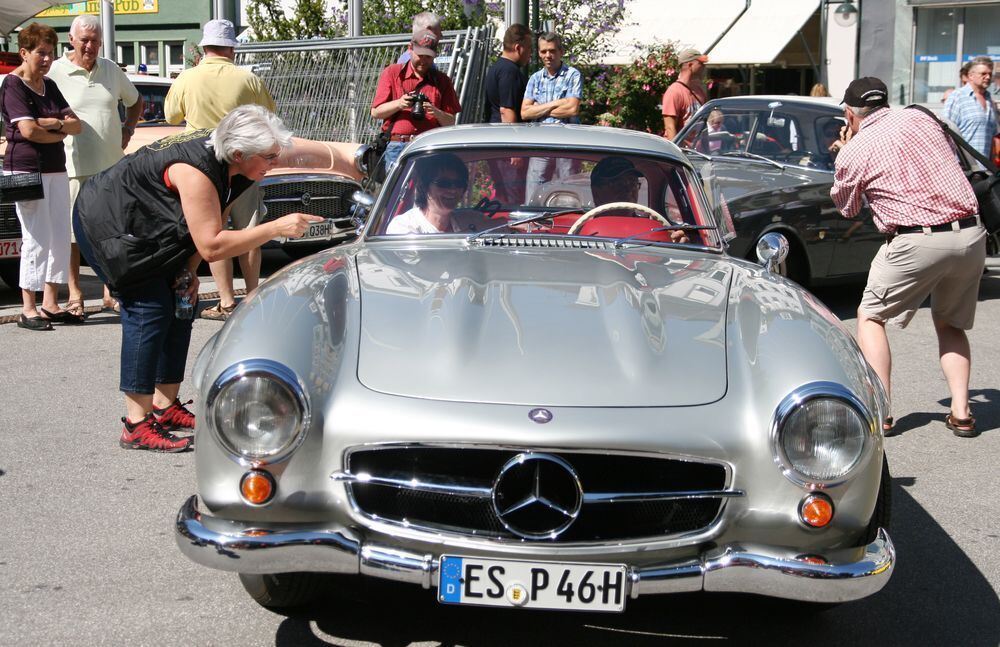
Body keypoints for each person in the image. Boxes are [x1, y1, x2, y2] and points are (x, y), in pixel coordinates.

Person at [73, 105, 363, 452]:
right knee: (149, 309)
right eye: (269, 156)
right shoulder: (197, 170)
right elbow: (212, 245)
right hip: (110, 225)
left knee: (182, 303)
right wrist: (276, 227)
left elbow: (217, 218)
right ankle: (136, 424)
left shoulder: (237, 162)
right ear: (240, 153)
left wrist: (187, 271)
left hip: (154, 226)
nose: (274, 162)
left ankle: (165, 408)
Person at [830, 77, 986, 438]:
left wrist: (844, 150)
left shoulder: (856, 147)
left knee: (870, 316)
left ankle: (882, 412)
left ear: (850, 113)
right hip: (970, 234)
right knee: (950, 324)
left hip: (916, 240)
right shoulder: (922, 117)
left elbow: (847, 208)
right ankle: (962, 413)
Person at [165, 18, 277, 321]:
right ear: (232, 49)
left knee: (214, 232)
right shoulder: (247, 79)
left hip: (202, 167)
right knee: (249, 231)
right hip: (245, 161)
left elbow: (171, 116)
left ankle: (226, 300)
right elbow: (269, 116)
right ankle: (252, 297)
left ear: (204, 47)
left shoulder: (188, 77)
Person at [48, 14, 143, 318]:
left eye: (95, 41)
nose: (90, 46)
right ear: (71, 40)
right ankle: (75, 294)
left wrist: (128, 129)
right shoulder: (55, 71)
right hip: (73, 166)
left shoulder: (111, 71)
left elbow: (135, 101)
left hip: (111, 169)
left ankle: (108, 293)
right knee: (72, 235)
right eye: (85, 40)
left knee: (111, 233)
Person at [1, 23, 83, 331]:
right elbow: (27, 131)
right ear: (24, 52)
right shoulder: (12, 85)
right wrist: (55, 129)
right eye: (40, 53)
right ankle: (28, 307)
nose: (47, 59)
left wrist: (54, 125)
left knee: (60, 233)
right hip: (24, 170)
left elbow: (77, 125)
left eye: (50, 53)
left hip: (55, 168)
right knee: (36, 235)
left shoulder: (49, 84)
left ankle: (50, 302)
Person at [371, 29, 461, 174]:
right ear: (410, 49)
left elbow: (451, 122)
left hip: (429, 147)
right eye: (420, 55)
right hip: (398, 146)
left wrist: (436, 113)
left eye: (429, 57)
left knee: (426, 194)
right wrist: (399, 104)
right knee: (398, 195)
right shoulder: (392, 73)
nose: (424, 61)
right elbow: (376, 112)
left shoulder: (442, 80)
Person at [521, 31, 582, 202]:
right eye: (543, 51)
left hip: (567, 143)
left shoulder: (572, 75)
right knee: (534, 193)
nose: (548, 55)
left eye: (552, 51)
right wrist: (557, 103)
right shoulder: (535, 78)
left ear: (561, 51)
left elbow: (572, 109)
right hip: (541, 142)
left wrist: (539, 109)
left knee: (569, 192)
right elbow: (525, 112)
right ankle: (533, 227)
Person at [588, 156, 688, 243]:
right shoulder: (582, 231)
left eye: (632, 183)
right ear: (596, 192)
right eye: (618, 184)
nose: (628, 189)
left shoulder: (651, 231)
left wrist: (676, 243)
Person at [485, 24, 532, 204]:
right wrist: (515, 148)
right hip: (507, 148)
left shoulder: (497, 67)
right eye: (528, 49)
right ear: (518, 48)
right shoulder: (509, 71)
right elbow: (506, 109)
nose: (530, 54)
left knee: (506, 196)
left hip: (499, 143)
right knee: (513, 199)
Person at [385, 153, 487, 234]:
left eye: (458, 183)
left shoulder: (472, 219)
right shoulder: (404, 226)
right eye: (444, 183)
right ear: (425, 187)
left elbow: (502, 228)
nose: (453, 190)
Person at [943, 56, 997, 158]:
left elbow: (993, 137)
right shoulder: (957, 97)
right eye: (983, 74)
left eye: (990, 74)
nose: (988, 77)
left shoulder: (989, 100)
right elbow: (945, 132)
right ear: (971, 76)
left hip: (986, 169)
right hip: (963, 169)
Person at [662, 48, 708, 140]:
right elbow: (670, 128)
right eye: (701, 64)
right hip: (682, 152)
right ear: (690, 65)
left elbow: (704, 127)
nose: (704, 67)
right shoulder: (674, 92)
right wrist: (676, 153)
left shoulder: (700, 91)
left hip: (699, 153)